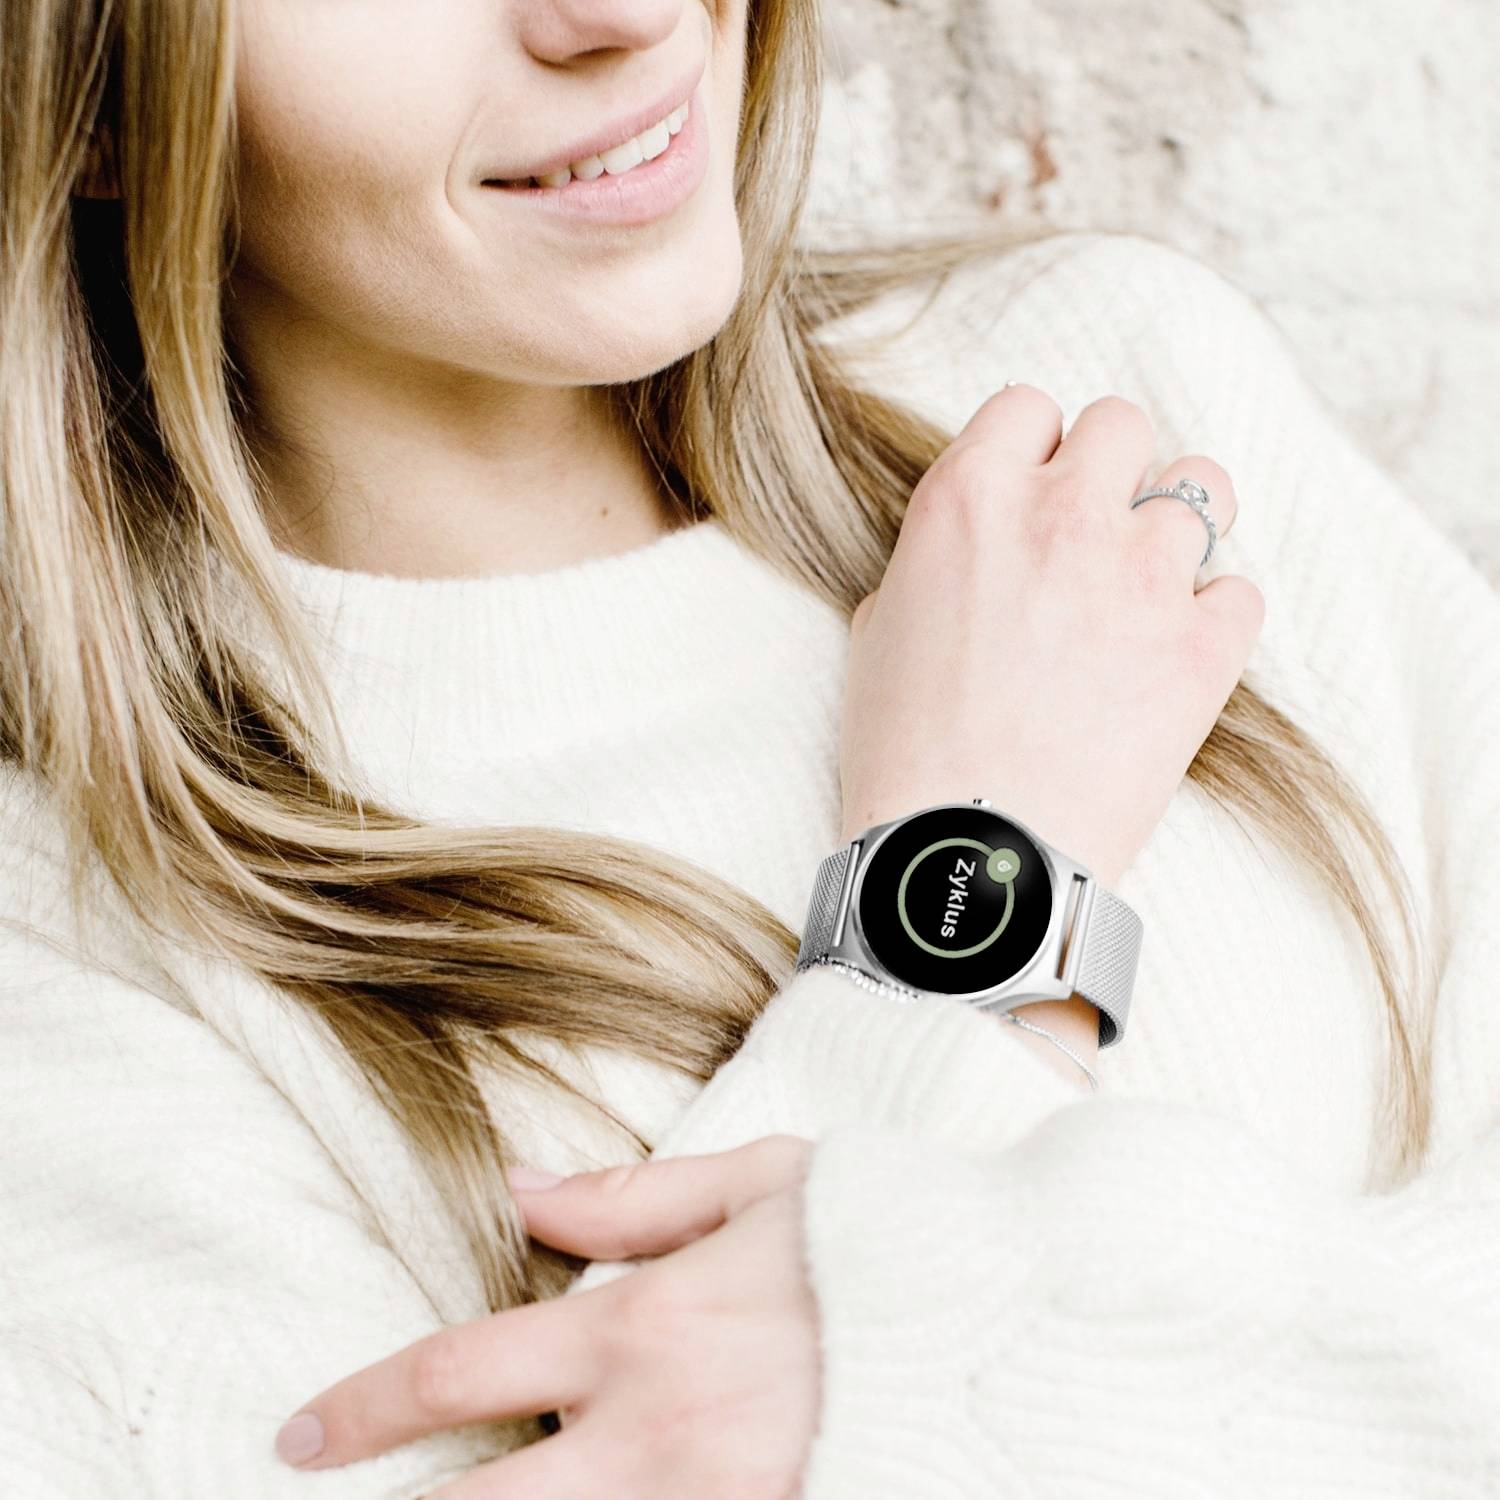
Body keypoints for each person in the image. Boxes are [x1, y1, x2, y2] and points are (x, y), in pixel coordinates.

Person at [3, 0, 1498, 1496]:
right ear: (97, 99)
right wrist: (968, 910)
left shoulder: (1113, 402)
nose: (628, 16)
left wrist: (949, 1369)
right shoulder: (68, 963)